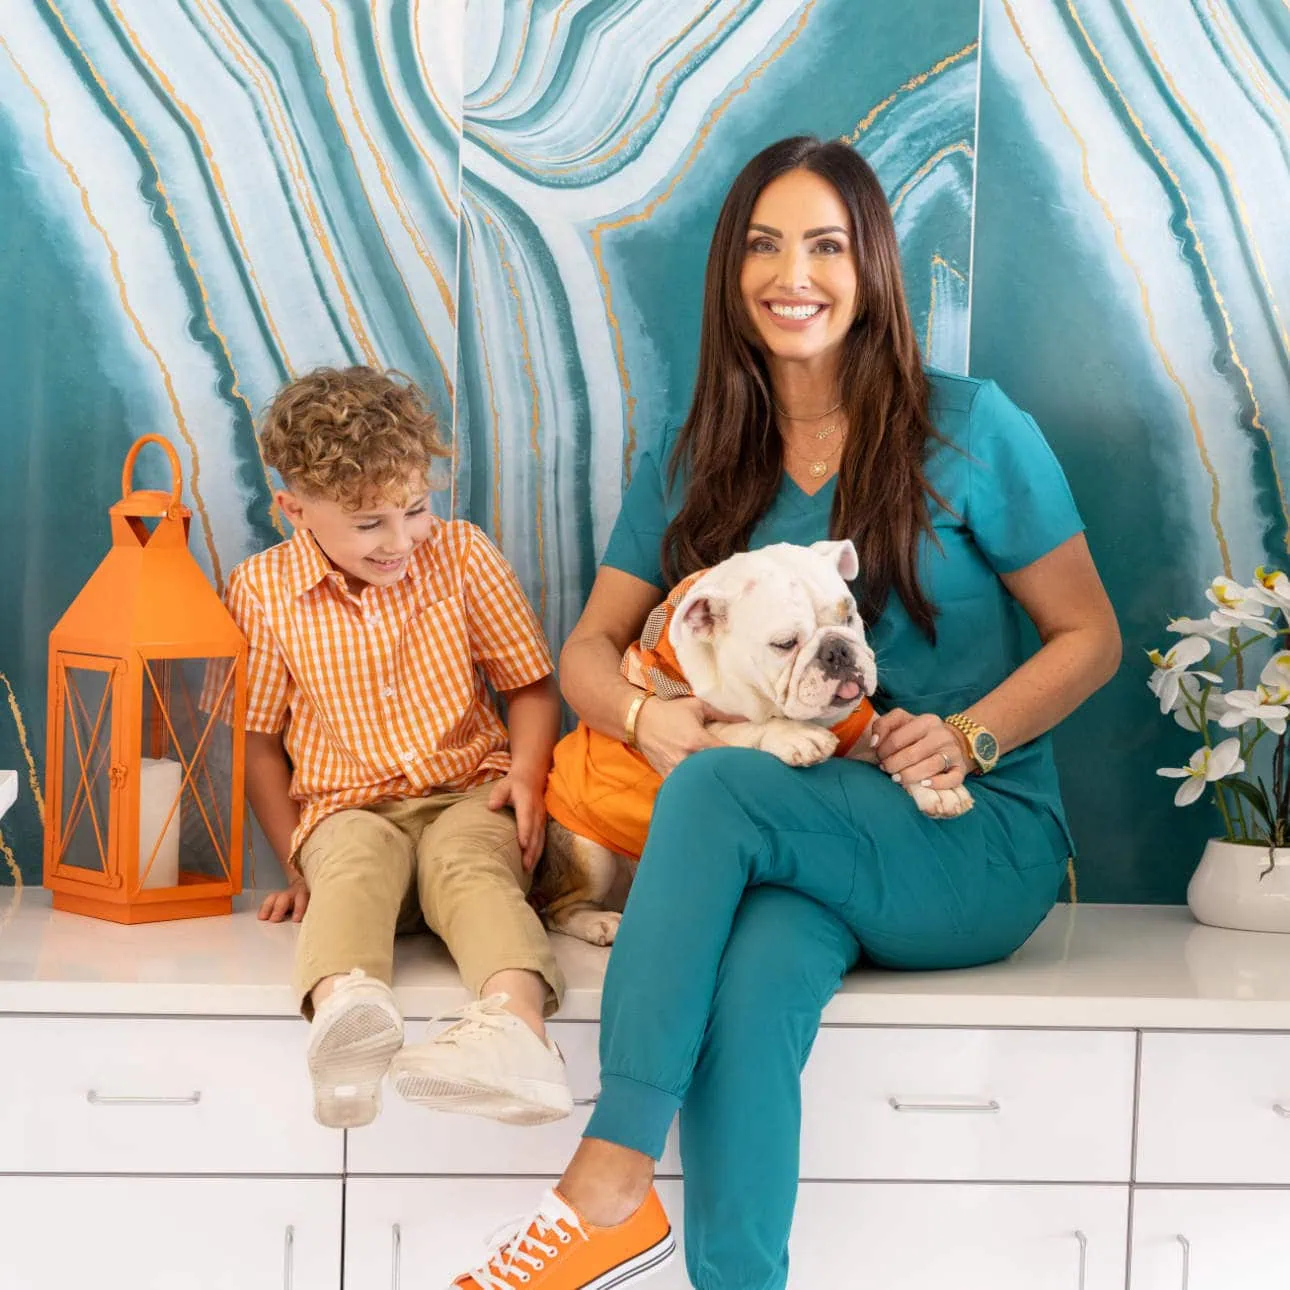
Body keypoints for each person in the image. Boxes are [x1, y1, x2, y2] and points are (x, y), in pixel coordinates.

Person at [448, 136, 1122, 1290]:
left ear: (871, 267)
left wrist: (971, 736)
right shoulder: (694, 458)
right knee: (749, 993)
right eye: (764, 246)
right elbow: (587, 654)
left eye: (825, 245)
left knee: (717, 784)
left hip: (970, 835)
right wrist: (645, 717)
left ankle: (606, 1182)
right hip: (802, 847)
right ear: (733, 271)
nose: (792, 274)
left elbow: (1090, 636)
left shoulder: (973, 429)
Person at [226, 365, 569, 1131]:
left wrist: (526, 775)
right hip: (347, 812)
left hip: (469, 793)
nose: (399, 540)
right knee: (354, 859)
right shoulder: (263, 591)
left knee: (468, 862)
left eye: (414, 510)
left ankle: (520, 1037)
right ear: (295, 510)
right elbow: (258, 747)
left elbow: (531, 687)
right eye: (368, 523)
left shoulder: (463, 556)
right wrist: (297, 865)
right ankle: (345, 1020)